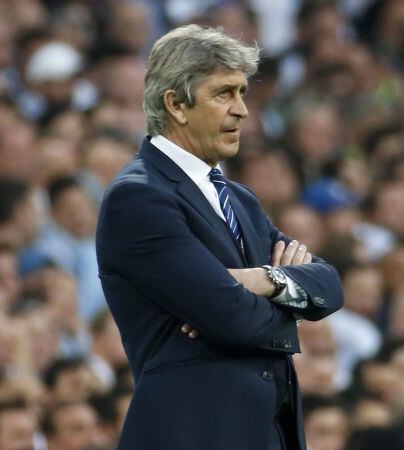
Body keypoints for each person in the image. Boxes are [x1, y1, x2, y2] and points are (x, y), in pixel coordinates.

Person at [96, 25, 343, 450]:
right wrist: (286, 304)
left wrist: (262, 281)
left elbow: (330, 285)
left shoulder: (238, 197)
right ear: (176, 104)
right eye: (224, 94)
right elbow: (231, 317)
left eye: (243, 92)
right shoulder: (138, 197)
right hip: (194, 434)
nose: (243, 110)